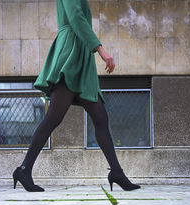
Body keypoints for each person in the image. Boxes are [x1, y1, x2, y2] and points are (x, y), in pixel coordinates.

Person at [12, 0, 141, 192]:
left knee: (100, 117)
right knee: (53, 118)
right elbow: (76, 18)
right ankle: (24, 169)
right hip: (71, 54)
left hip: (81, 57)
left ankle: (116, 172)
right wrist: (101, 50)